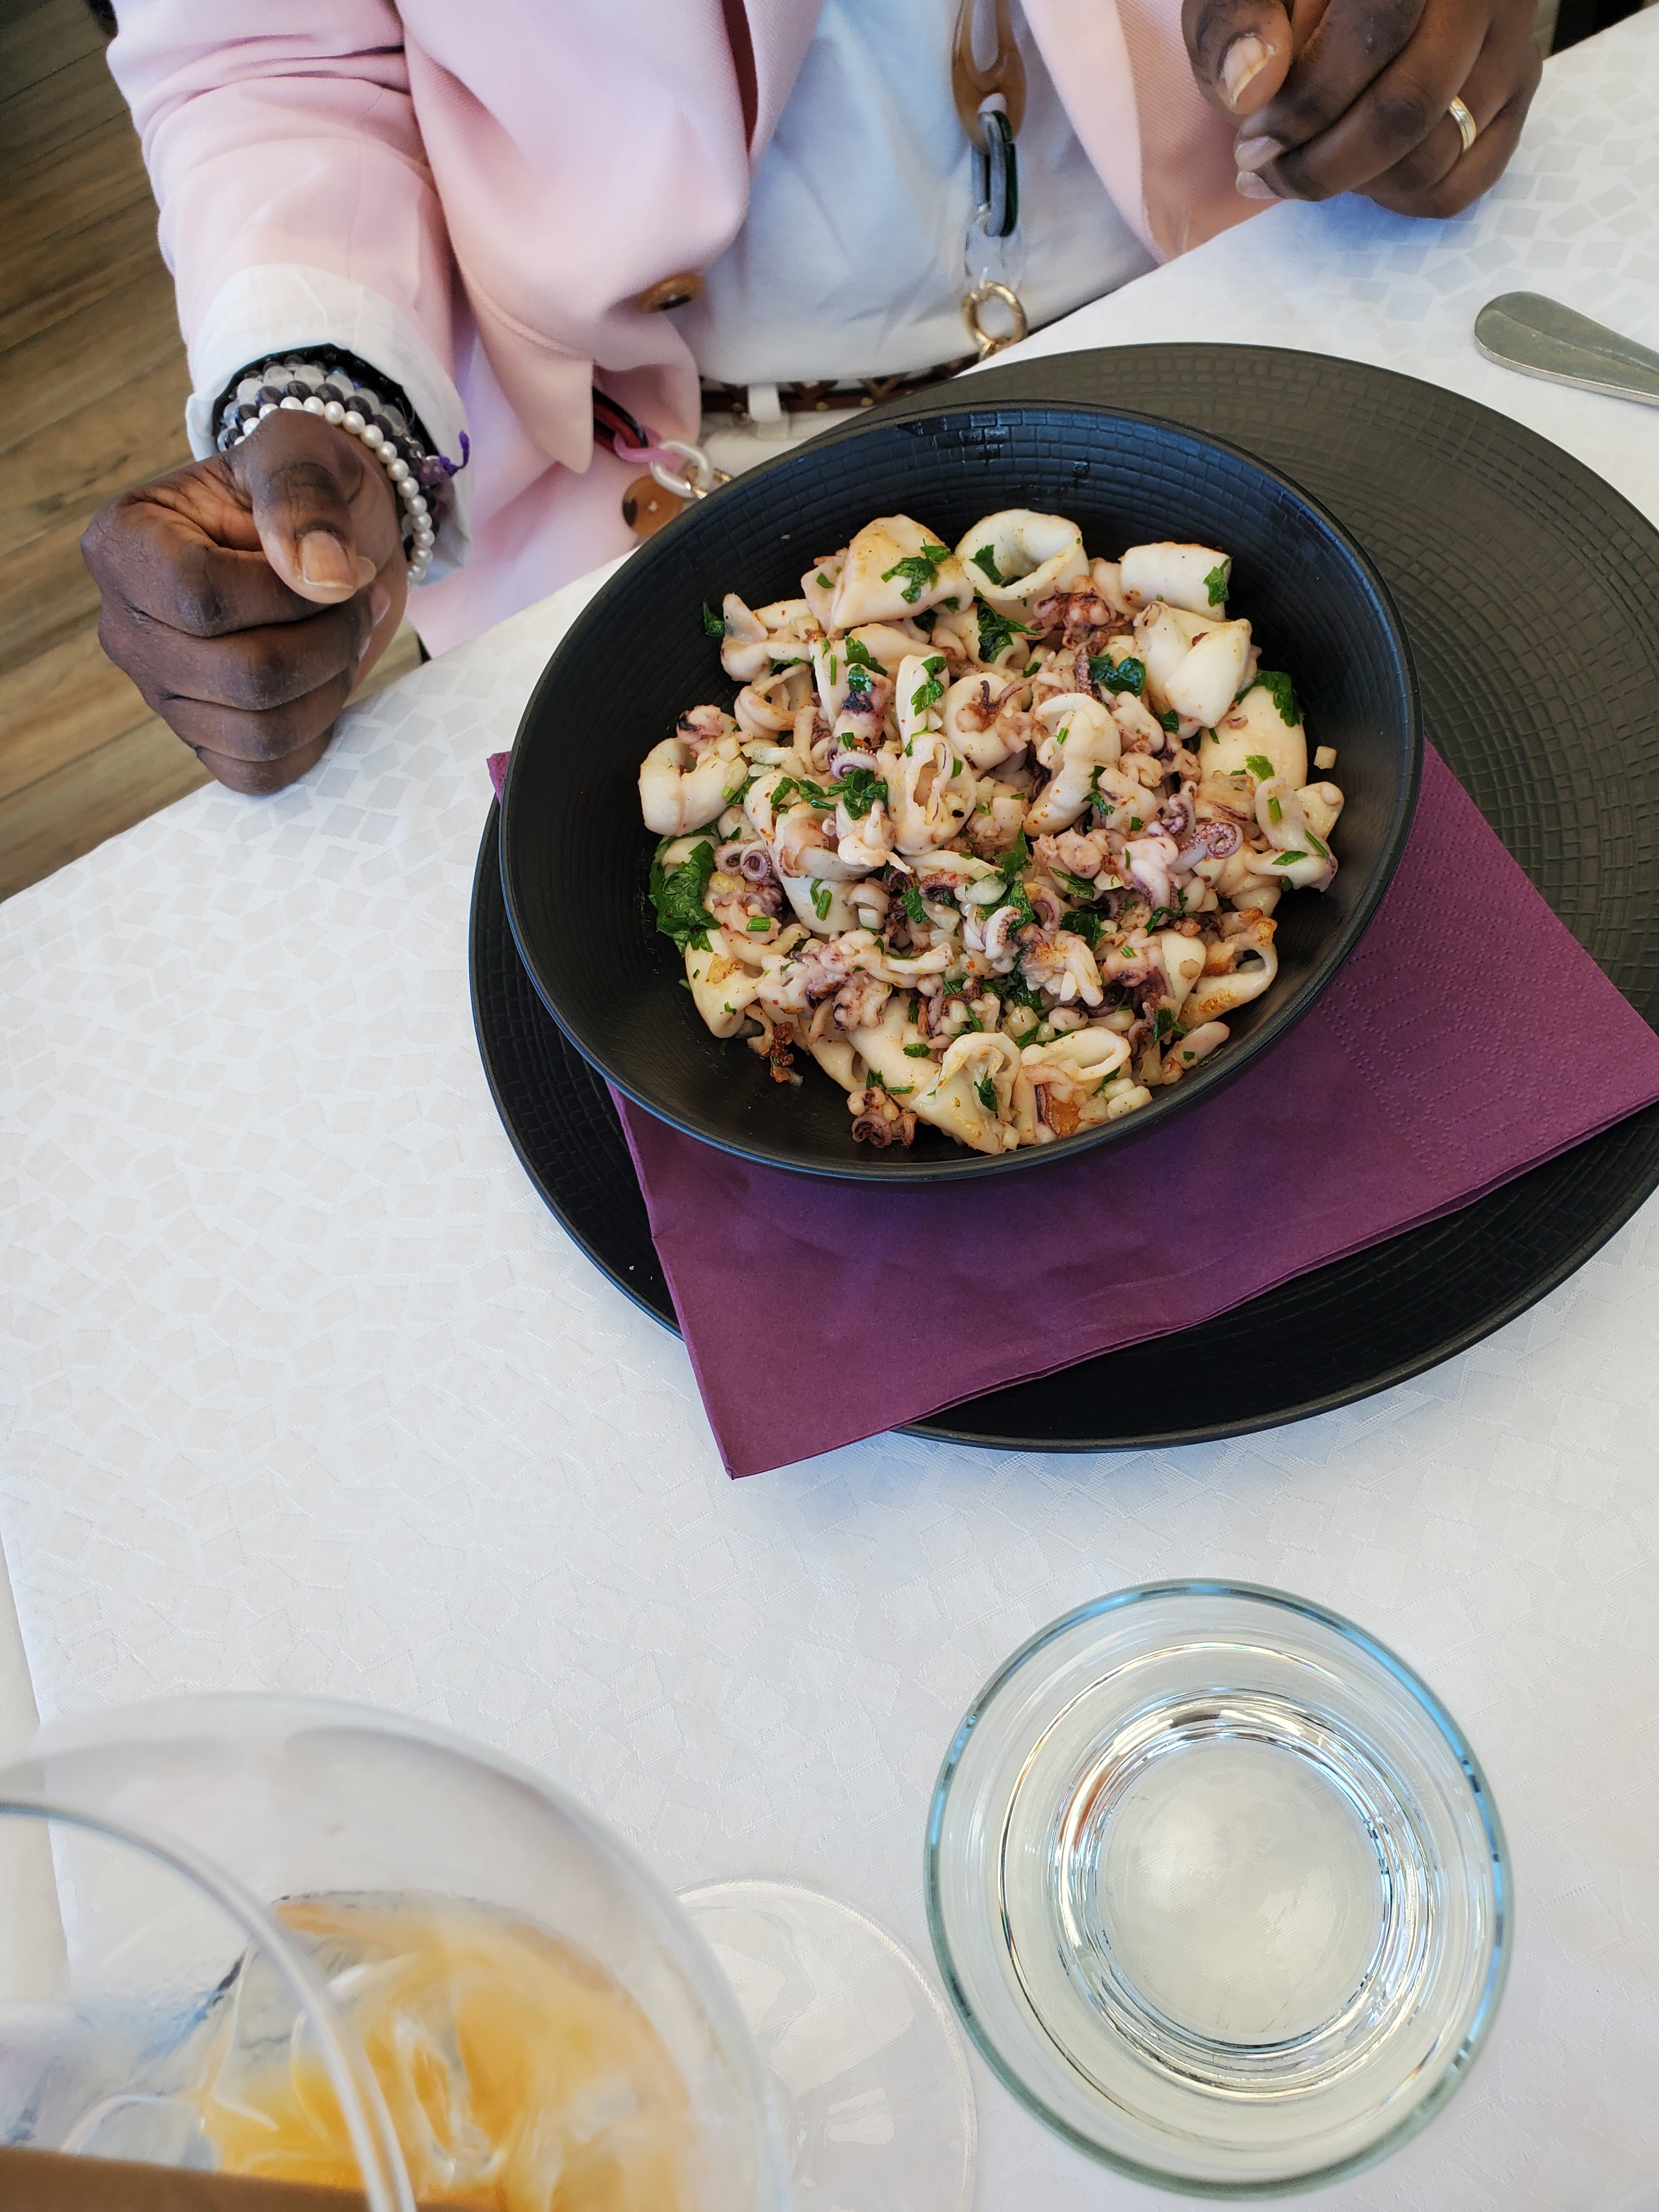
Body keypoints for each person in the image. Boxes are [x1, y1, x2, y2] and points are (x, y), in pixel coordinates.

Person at [82, 0, 1540, 795]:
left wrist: (1410, 46)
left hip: (1237, 285)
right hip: (652, 468)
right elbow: (267, 52)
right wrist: (318, 367)